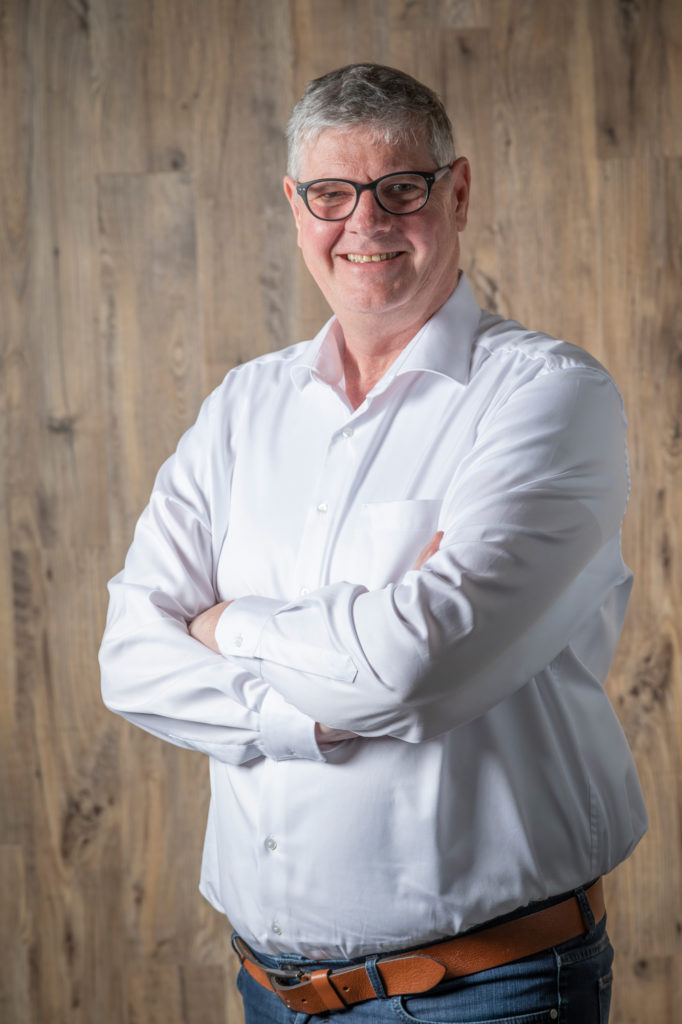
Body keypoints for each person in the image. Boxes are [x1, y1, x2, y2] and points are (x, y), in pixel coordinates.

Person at [100, 63, 647, 1023]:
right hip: (269, 991)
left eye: (401, 188)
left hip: (487, 991)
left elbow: (412, 668)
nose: (365, 221)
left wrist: (228, 624)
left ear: (458, 192)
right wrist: (317, 706)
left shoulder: (548, 396)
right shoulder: (242, 408)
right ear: (296, 206)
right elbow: (130, 661)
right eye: (331, 194)